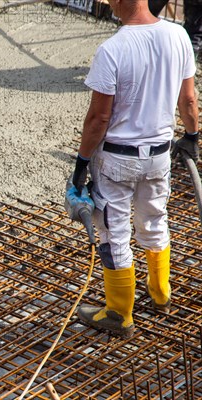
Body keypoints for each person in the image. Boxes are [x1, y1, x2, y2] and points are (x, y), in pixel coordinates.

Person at [71, 0, 199, 338]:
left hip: (117, 159)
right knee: (155, 220)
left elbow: (98, 118)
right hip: (159, 156)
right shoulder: (178, 35)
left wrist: (81, 165)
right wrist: (192, 136)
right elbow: (188, 100)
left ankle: (118, 312)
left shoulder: (113, 49)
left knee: (114, 234)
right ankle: (161, 295)